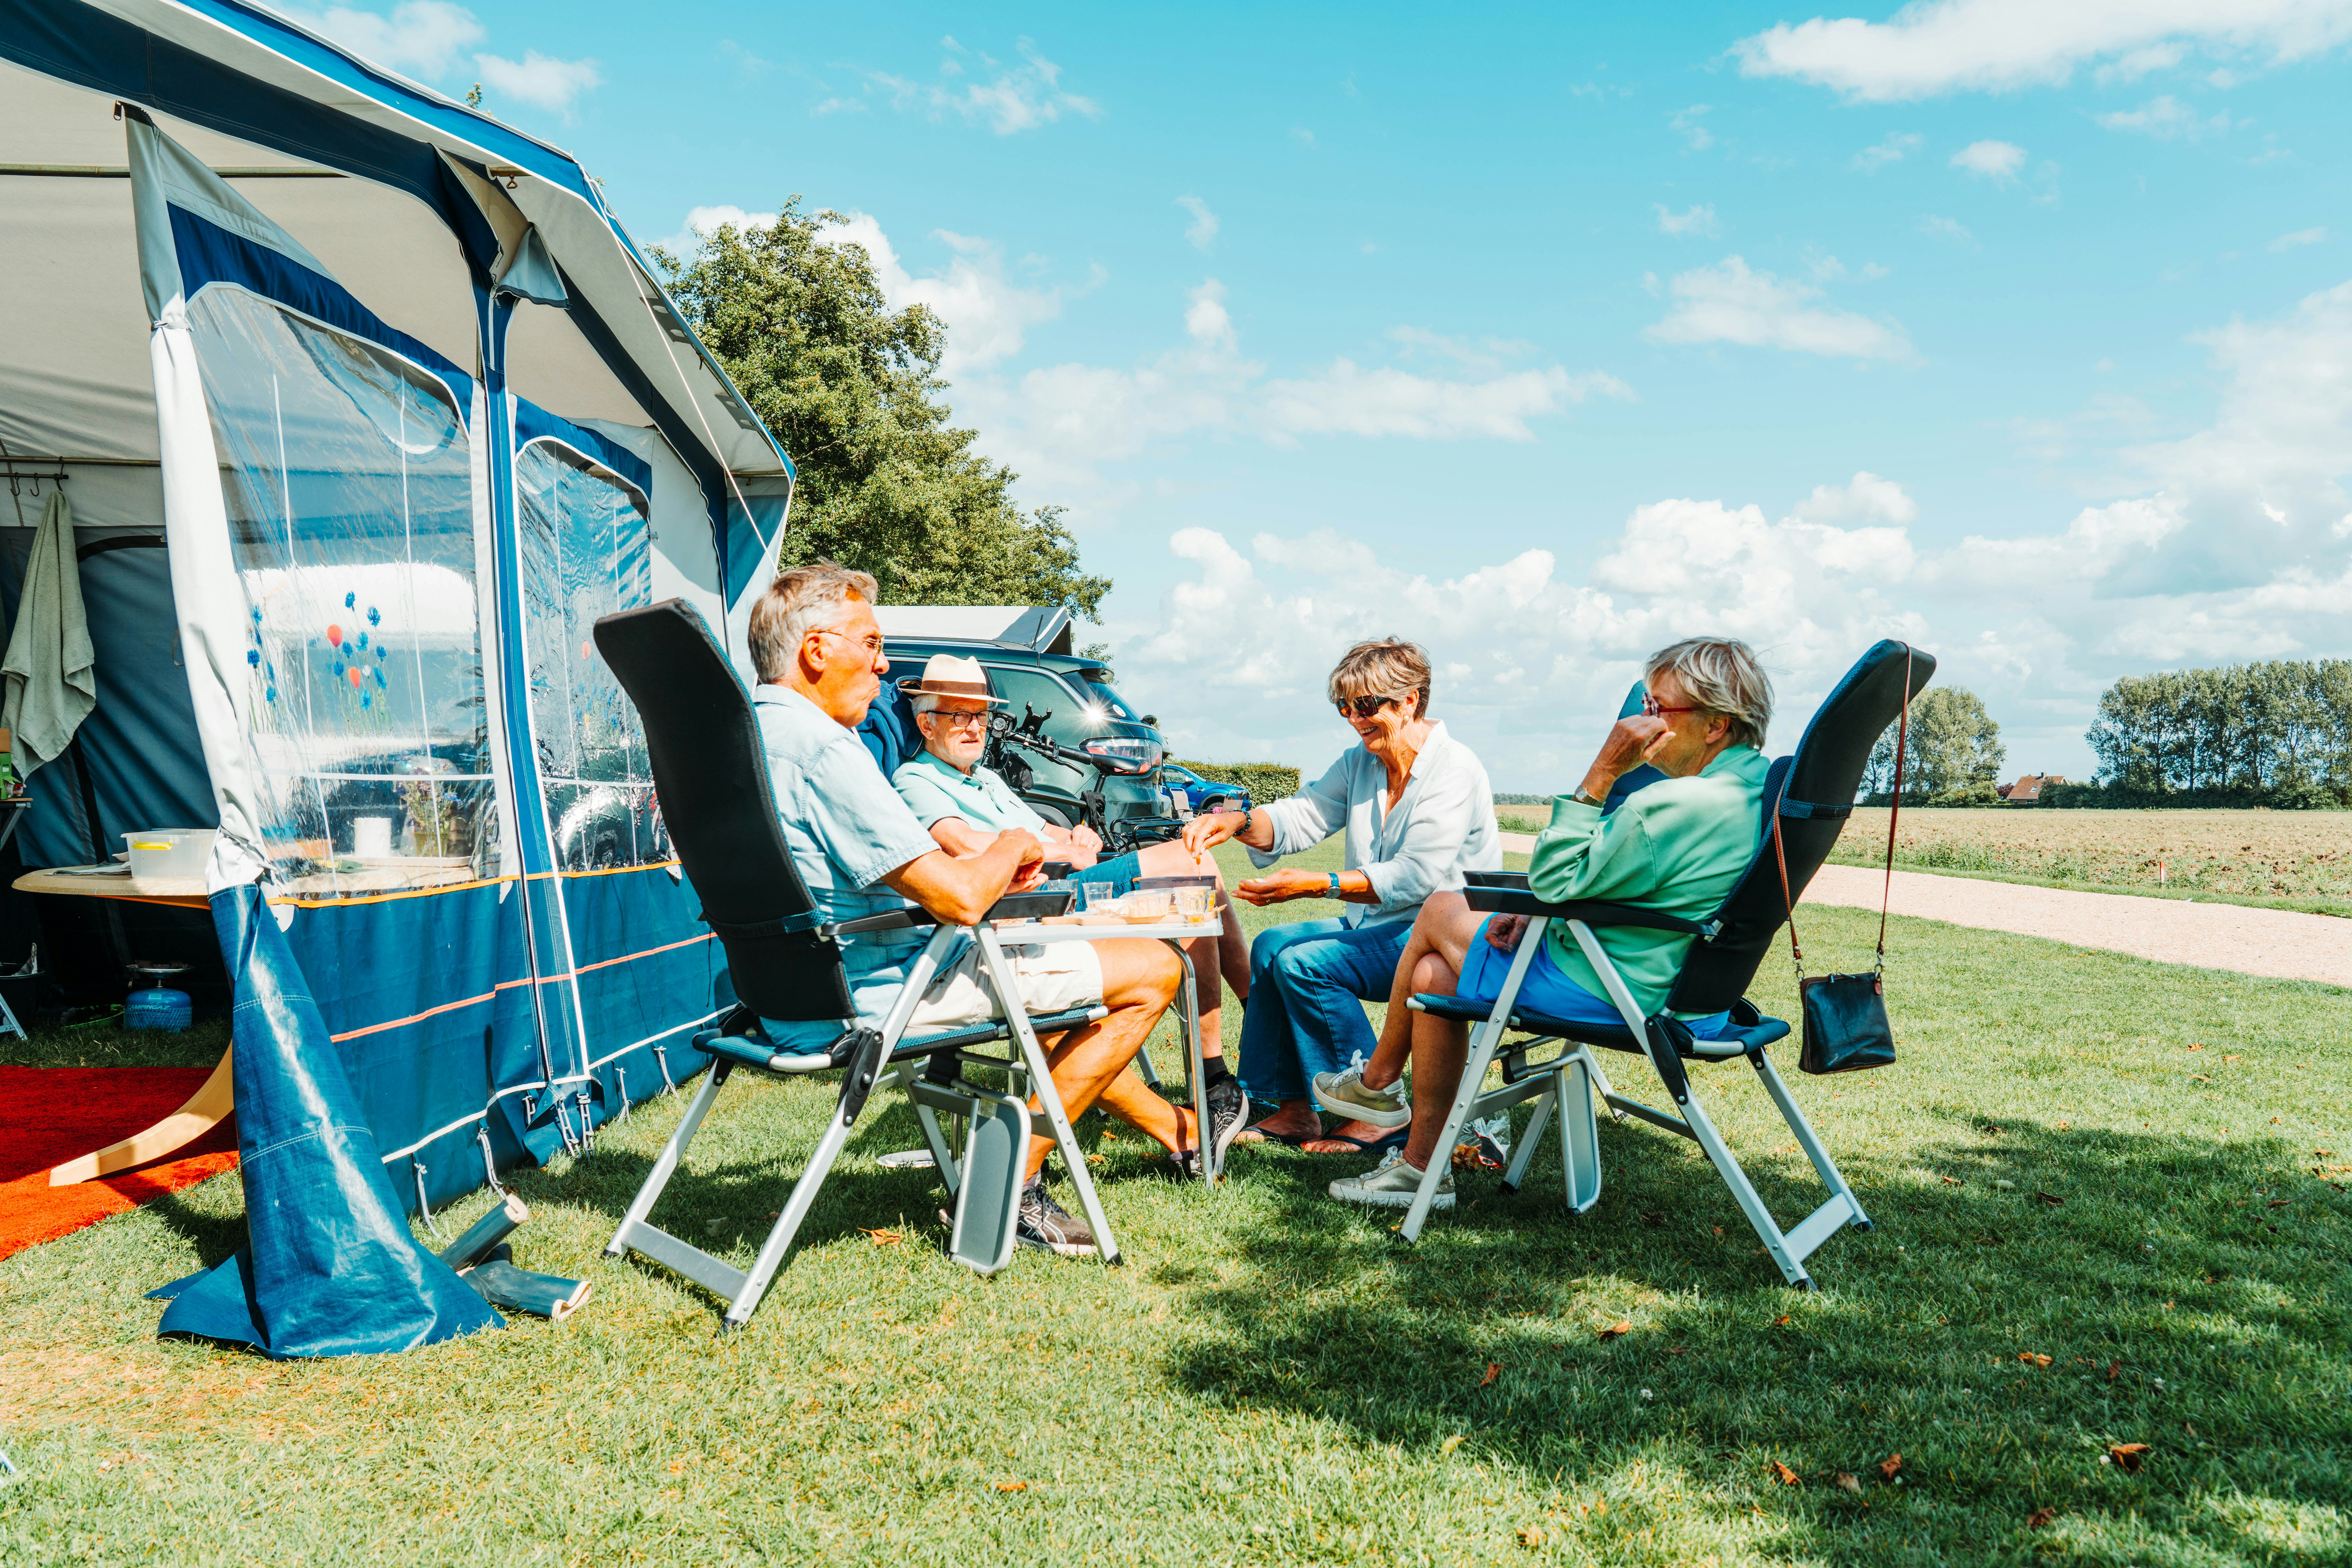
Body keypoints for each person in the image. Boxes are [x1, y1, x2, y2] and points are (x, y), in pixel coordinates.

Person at [747, 561, 1191, 1256]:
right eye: (871, 643)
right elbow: (959, 896)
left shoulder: (747, 737)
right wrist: (1014, 843)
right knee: (1153, 969)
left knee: (1071, 976)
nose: (883, 664)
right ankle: (1012, 1178)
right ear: (816, 650)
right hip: (878, 990)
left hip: (786, 996)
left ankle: (1166, 1127)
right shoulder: (825, 750)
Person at [1323, 637, 1776, 1211]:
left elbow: (1555, 875)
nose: (1643, 721)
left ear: (1715, 725)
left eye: (1658, 707)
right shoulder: (1756, 788)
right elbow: (1611, 882)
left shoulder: (1666, 808)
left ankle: (1379, 1082)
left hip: (1614, 989)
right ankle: (1419, 1167)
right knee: (1433, 975)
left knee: (1440, 907)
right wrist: (1536, 905)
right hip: (1693, 990)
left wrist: (1603, 771)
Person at [889, 652, 1254, 1173]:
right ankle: (1217, 1072)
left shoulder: (985, 779)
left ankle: (1233, 1055)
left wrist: (1075, 838)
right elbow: (965, 845)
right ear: (927, 723)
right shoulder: (916, 779)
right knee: (1191, 862)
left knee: (1197, 876)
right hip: (1025, 902)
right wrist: (1055, 850)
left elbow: (1051, 833)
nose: (975, 727)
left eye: (981, 715)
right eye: (959, 715)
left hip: (1054, 885)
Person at [1179, 638, 1499, 1155]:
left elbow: (1416, 877)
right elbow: (1303, 814)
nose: (1355, 719)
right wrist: (1237, 821)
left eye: (1366, 705)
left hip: (1441, 940)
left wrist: (1317, 883)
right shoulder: (1362, 762)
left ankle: (1376, 1109)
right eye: (1345, 707)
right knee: (1271, 946)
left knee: (1305, 964)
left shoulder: (1455, 770)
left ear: (1410, 701)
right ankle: (1295, 1109)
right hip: (1379, 929)